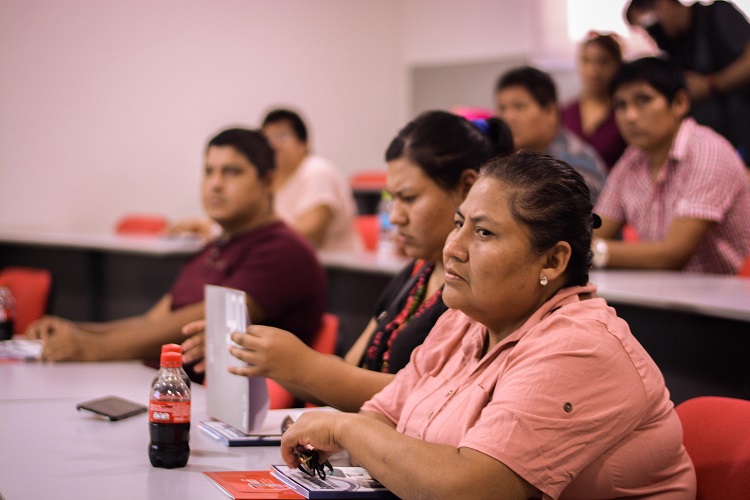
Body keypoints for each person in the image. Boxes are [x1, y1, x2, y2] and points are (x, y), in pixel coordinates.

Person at [279, 151, 697, 499]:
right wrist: (346, 433)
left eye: (483, 232)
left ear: (552, 261)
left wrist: (345, 428)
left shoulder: (579, 345)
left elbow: (472, 488)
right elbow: (386, 415)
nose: (453, 248)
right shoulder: (465, 318)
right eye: (459, 223)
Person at [182, 110, 513, 412]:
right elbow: (348, 372)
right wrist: (263, 353)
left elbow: (431, 397)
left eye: (409, 198)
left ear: (467, 188)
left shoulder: (483, 291)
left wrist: (300, 365)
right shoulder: (415, 273)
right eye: (391, 199)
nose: (395, 216)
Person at [26, 128, 326, 362]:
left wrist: (89, 348)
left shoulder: (283, 250)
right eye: (209, 171)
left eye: (231, 172)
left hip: (228, 420)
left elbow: (188, 326)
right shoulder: (215, 247)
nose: (215, 183)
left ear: (268, 181)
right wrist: (73, 331)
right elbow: (149, 324)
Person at [593, 57, 750, 274]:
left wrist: (595, 252)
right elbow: (597, 231)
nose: (630, 116)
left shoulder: (707, 151)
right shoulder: (631, 159)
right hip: (666, 294)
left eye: (643, 100)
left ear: (679, 103)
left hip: (727, 299)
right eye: (621, 105)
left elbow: (673, 255)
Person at [625, 0, 750, 165]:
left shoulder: (716, 15)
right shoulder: (672, 48)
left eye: (651, 24)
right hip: (716, 153)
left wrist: (710, 84)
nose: (653, 34)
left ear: (665, 3)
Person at [494, 65, 608, 201]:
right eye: (502, 108)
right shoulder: (503, 154)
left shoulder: (577, 162)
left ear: (550, 111)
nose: (508, 117)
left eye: (519, 107)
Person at [261, 108, 359, 251]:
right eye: (267, 139)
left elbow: (308, 233)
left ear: (304, 143)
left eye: (282, 136)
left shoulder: (317, 170)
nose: (274, 144)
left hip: (337, 269)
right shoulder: (269, 178)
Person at [562, 31, 628, 170]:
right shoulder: (567, 112)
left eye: (603, 62)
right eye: (586, 61)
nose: (593, 71)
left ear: (618, 65)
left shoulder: (626, 112)